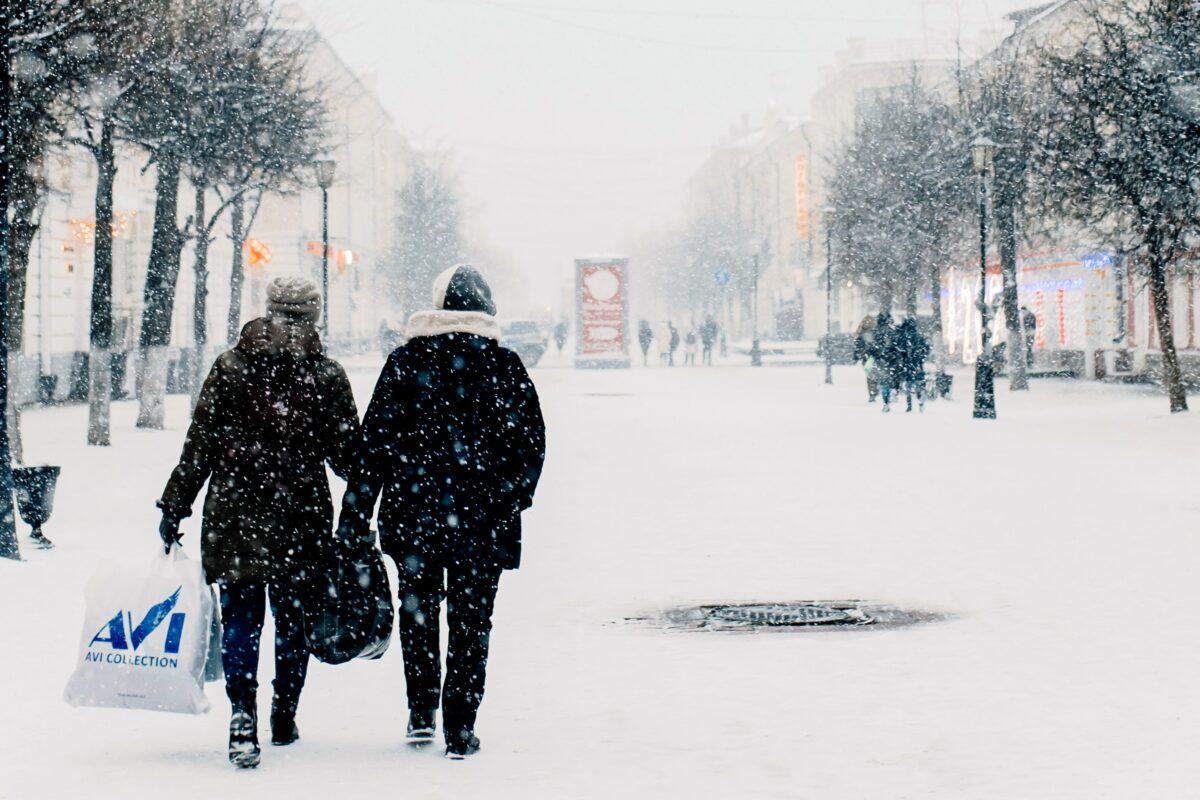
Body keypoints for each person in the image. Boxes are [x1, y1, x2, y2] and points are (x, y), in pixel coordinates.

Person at [338, 264, 545, 760]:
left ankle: (420, 712)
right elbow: (531, 445)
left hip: (414, 519)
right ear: (486, 309)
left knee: (419, 614)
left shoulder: (406, 362)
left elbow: (375, 446)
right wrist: (509, 496)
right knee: (474, 622)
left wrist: (356, 513)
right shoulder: (504, 366)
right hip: (482, 523)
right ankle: (461, 725)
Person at [158, 276, 360, 769]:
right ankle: (284, 713)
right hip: (302, 517)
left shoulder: (230, 367)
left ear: (268, 310)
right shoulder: (327, 375)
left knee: (242, 620)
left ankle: (241, 714)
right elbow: (346, 458)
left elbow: (199, 444)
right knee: (294, 620)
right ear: (314, 316)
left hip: (234, 514)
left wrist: (174, 505)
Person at [892, 316, 930, 412]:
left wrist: (903, 356)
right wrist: (921, 358)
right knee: (918, 384)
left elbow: (900, 349)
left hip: (907, 364)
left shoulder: (904, 336)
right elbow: (926, 349)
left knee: (908, 385)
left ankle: (909, 405)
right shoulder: (918, 336)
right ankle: (920, 401)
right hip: (917, 364)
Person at [873, 311, 899, 412]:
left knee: (883, 381)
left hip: (881, 360)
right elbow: (897, 346)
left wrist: (876, 355)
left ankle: (886, 401)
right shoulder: (892, 331)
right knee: (892, 378)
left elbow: (873, 347)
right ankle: (893, 391)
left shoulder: (876, 331)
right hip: (892, 359)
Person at [853, 315, 879, 403]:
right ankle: (874, 391)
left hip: (867, 358)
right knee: (876, 374)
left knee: (870, 376)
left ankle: (872, 393)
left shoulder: (861, 332)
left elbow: (857, 346)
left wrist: (856, 357)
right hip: (874, 357)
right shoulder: (875, 332)